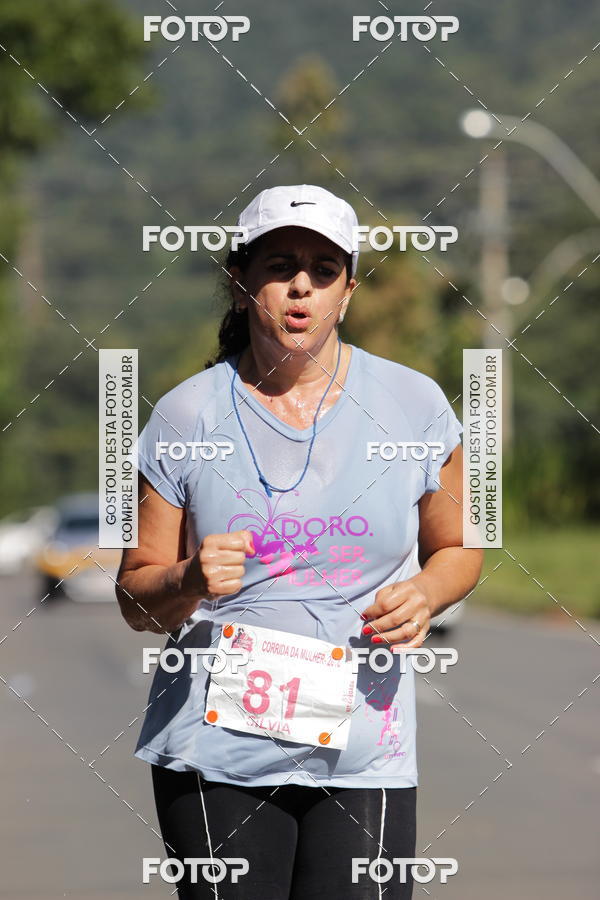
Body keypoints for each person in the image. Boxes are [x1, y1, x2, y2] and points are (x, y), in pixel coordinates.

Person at [116, 184, 483, 899]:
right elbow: (136, 597)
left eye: (323, 269)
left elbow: (462, 547)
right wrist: (188, 577)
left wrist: (428, 592)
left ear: (347, 291)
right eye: (280, 264)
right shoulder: (186, 414)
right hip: (215, 751)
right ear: (240, 280)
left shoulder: (414, 404)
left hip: (366, 749)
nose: (301, 286)